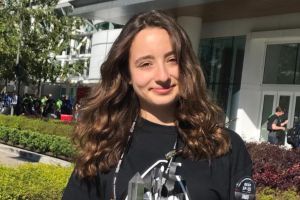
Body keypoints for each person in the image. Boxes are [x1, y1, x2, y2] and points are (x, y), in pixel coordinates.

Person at [62, 10, 253, 200]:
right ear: (127, 74)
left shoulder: (225, 147)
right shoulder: (102, 145)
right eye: (145, 64)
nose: (162, 76)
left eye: (172, 60)